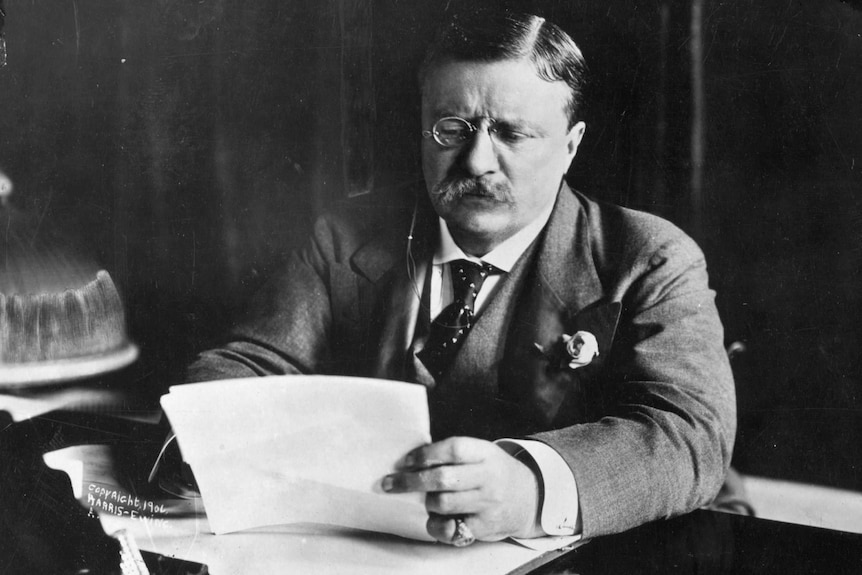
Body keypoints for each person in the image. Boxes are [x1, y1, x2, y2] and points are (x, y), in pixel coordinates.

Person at [185, 9, 737, 546]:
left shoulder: (648, 257)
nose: (476, 161)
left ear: (570, 147)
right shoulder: (345, 236)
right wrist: (205, 438)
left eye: (513, 134)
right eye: (452, 128)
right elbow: (249, 363)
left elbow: (687, 432)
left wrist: (529, 488)